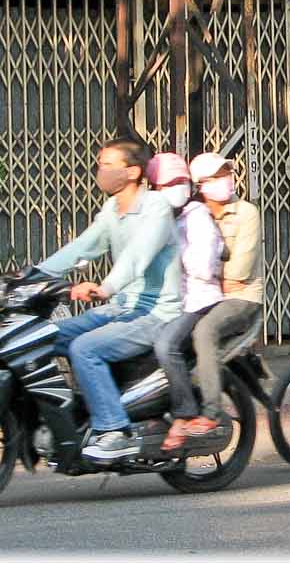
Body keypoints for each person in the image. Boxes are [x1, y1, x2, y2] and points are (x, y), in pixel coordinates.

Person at [34, 137, 182, 462]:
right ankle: (78, 415)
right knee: (43, 337)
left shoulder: (156, 208)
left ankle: (115, 430)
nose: (100, 170)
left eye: (107, 165)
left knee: (84, 348)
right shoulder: (111, 210)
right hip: (120, 309)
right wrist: (34, 274)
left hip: (156, 313)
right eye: (100, 164)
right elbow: (83, 246)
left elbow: (137, 256)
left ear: (132, 171)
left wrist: (105, 287)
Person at [155, 152, 264, 450]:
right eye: (217, 177)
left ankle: (211, 411)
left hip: (240, 297)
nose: (225, 181)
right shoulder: (192, 214)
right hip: (202, 297)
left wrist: (208, 271)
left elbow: (239, 272)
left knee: (205, 332)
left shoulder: (246, 213)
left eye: (226, 174)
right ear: (201, 185)